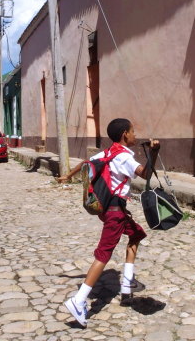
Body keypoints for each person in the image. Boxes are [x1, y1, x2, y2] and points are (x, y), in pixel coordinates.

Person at [57, 118, 160, 327]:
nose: (135, 135)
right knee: (103, 254)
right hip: (115, 213)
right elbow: (146, 173)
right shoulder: (123, 157)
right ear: (124, 134)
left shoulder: (106, 153)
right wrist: (155, 152)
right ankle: (78, 301)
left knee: (137, 234)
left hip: (110, 211)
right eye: (133, 131)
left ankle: (126, 283)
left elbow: (85, 164)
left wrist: (68, 175)